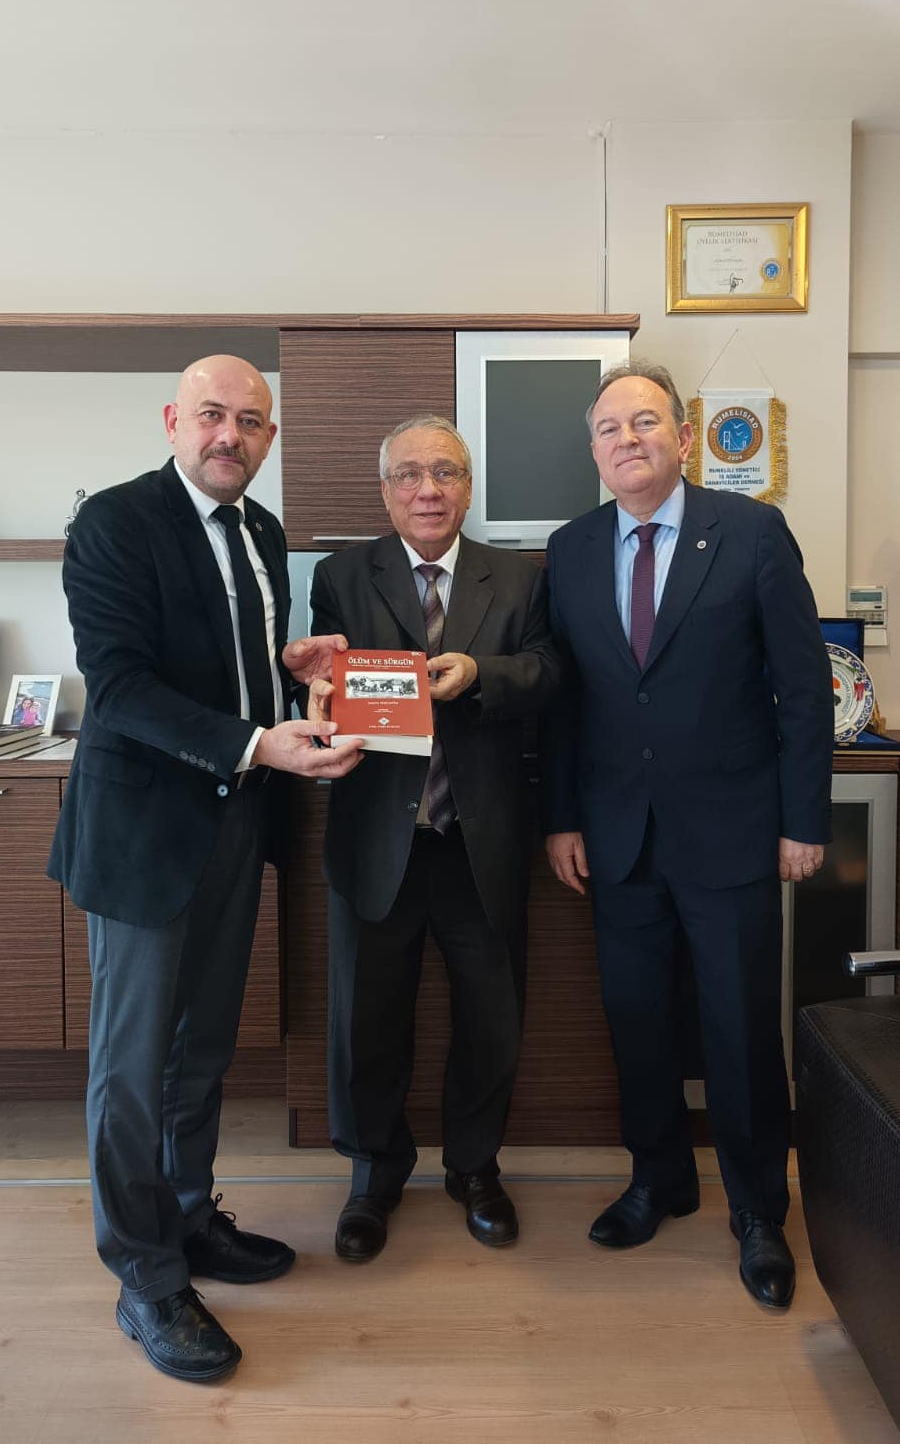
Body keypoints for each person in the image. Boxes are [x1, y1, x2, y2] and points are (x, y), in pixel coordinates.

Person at [48, 354, 363, 1383]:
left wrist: (289, 667)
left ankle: (187, 1217)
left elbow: (225, 662)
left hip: (236, 823)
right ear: (173, 420)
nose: (232, 434)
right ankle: (143, 1276)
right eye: (214, 415)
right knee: (132, 1066)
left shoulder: (263, 531)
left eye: (252, 421)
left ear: (269, 437)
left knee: (204, 1047)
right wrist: (259, 742)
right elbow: (121, 687)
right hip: (143, 833)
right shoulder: (113, 522)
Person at [541, 363, 831, 1310]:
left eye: (645, 421)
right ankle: (659, 1179)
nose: (627, 439)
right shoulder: (571, 549)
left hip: (734, 831)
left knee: (740, 1028)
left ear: (685, 436)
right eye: (609, 428)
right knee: (638, 1021)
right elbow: (567, 701)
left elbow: (803, 687)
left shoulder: (750, 532)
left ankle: (758, 1212)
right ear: (593, 450)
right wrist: (563, 816)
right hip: (617, 836)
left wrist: (802, 820)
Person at [308, 415, 560, 1264]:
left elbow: (552, 672)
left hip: (479, 840)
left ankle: (475, 1169)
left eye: (446, 473)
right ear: (385, 491)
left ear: (468, 487)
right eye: (410, 474)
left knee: (491, 1018)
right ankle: (372, 1175)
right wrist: (314, 690)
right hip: (377, 838)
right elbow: (322, 678)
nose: (428, 490)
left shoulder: (518, 579)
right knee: (367, 1020)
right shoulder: (342, 575)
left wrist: (483, 674)